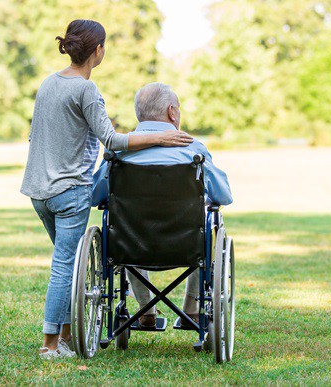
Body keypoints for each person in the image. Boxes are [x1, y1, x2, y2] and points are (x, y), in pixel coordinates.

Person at [20, 21, 193, 360]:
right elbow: (111, 140)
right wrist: (162, 136)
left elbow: (35, 136)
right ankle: (50, 345)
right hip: (68, 190)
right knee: (65, 267)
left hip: (38, 191)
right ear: (97, 51)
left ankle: (67, 337)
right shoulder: (86, 90)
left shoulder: (48, 84)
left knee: (73, 267)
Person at [92, 82, 232, 328]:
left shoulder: (120, 152)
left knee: (125, 225)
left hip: (132, 246)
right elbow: (224, 196)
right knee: (203, 226)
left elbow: (95, 197)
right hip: (186, 245)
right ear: (172, 112)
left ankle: (146, 313)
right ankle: (192, 310)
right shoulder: (193, 149)